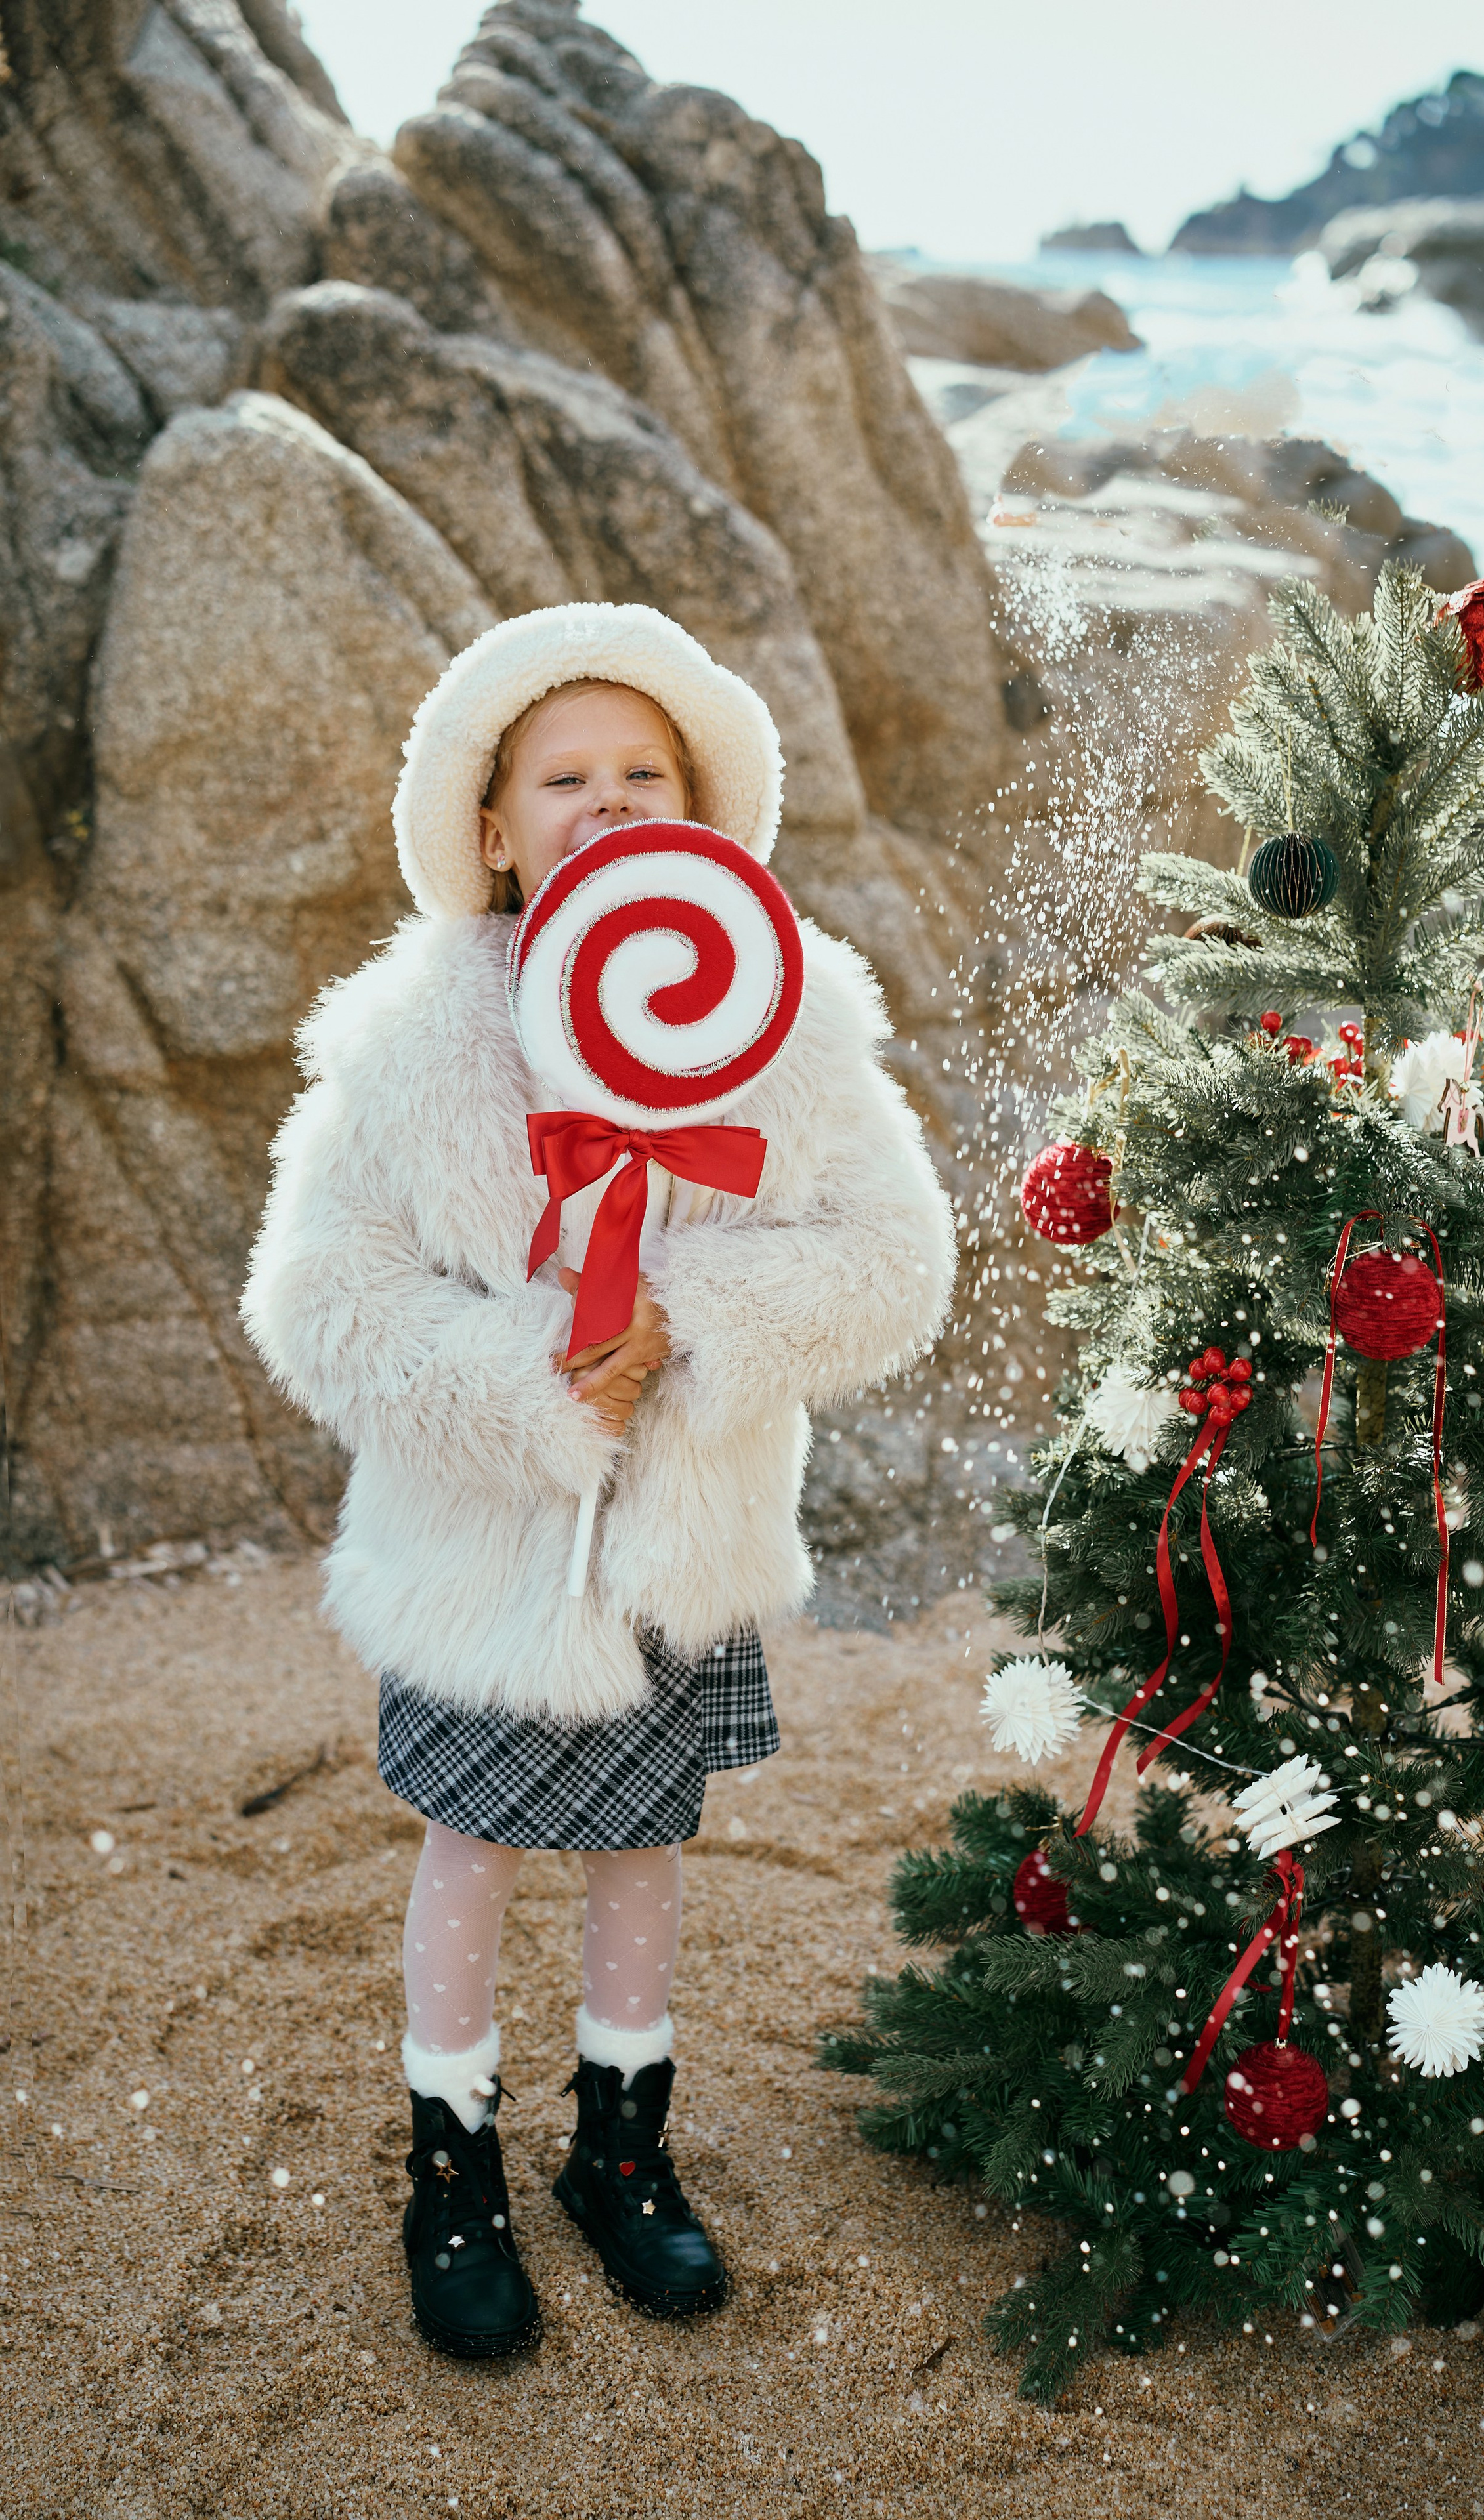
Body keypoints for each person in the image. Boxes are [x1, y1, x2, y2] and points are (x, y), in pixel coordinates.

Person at [241, 604, 954, 2358]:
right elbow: (318, 1297)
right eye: (567, 777)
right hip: (483, 1553)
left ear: (704, 814)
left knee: (645, 1839)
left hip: (670, 1544)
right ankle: (453, 2155)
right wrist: (530, 1379)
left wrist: (699, 1317)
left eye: (648, 773)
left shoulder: (778, 1012)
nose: (610, 800)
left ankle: (619, 2150)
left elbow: (897, 1254)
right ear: (491, 825)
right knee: (471, 1844)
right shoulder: (416, 1039)